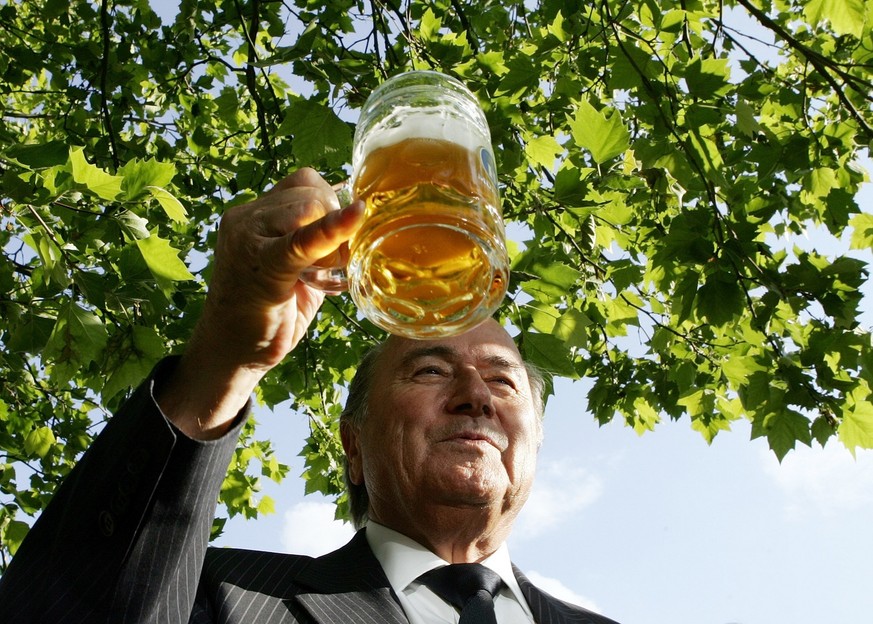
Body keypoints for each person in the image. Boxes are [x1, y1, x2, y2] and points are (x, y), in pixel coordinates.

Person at [0, 169, 619, 624]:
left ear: (537, 438)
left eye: (503, 379)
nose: (475, 397)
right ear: (353, 444)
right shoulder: (217, 598)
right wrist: (226, 356)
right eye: (430, 370)